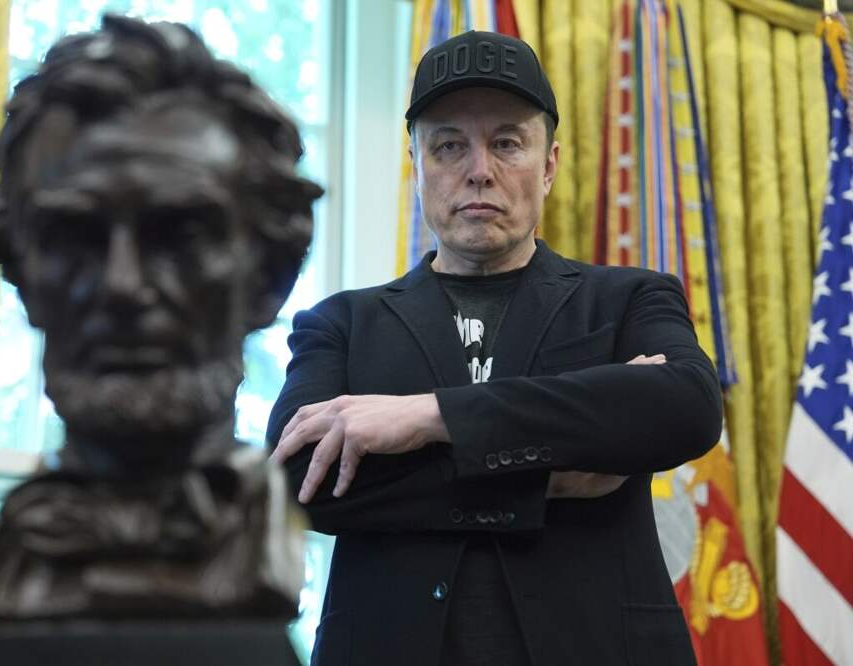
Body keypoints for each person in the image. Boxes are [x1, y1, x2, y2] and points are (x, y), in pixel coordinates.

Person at [268, 30, 722, 666]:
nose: (479, 169)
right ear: (417, 164)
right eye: (449, 145)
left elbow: (685, 407)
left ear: (550, 164)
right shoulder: (339, 323)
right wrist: (543, 478)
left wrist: (429, 416)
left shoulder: (628, 299)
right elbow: (298, 478)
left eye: (507, 142)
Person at [0, 15, 321, 624]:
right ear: (23, 276)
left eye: (179, 236)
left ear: (269, 279)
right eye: (75, 236)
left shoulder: (261, 556)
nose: (122, 285)